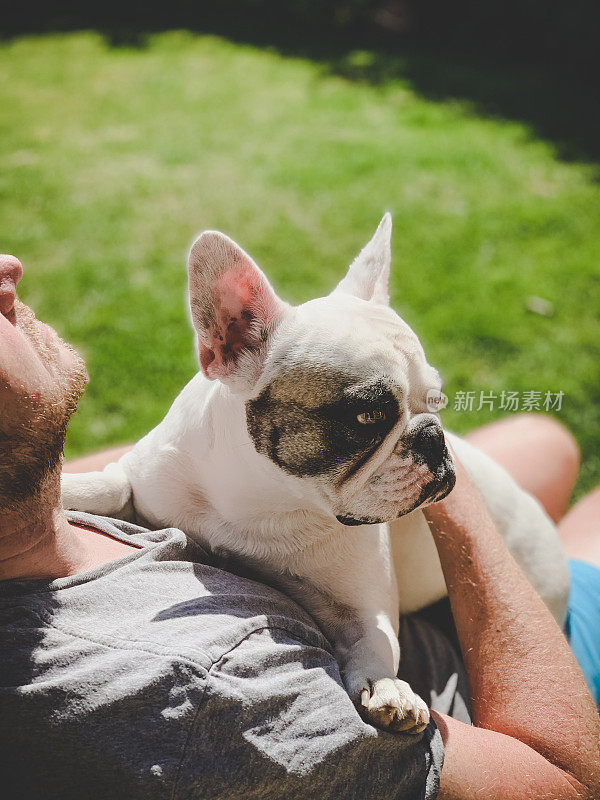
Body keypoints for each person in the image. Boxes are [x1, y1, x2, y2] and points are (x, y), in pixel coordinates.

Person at [0, 252, 599, 800]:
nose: (9, 270)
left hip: (457, 530)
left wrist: (419, 455)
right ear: (226, 344)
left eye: (430, 405)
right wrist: (447, 490)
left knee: (544, 440)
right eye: (366, 414)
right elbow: (563, 780)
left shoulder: (50, 499)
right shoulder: (212, 685)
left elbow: (125, 481)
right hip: (507, 627)